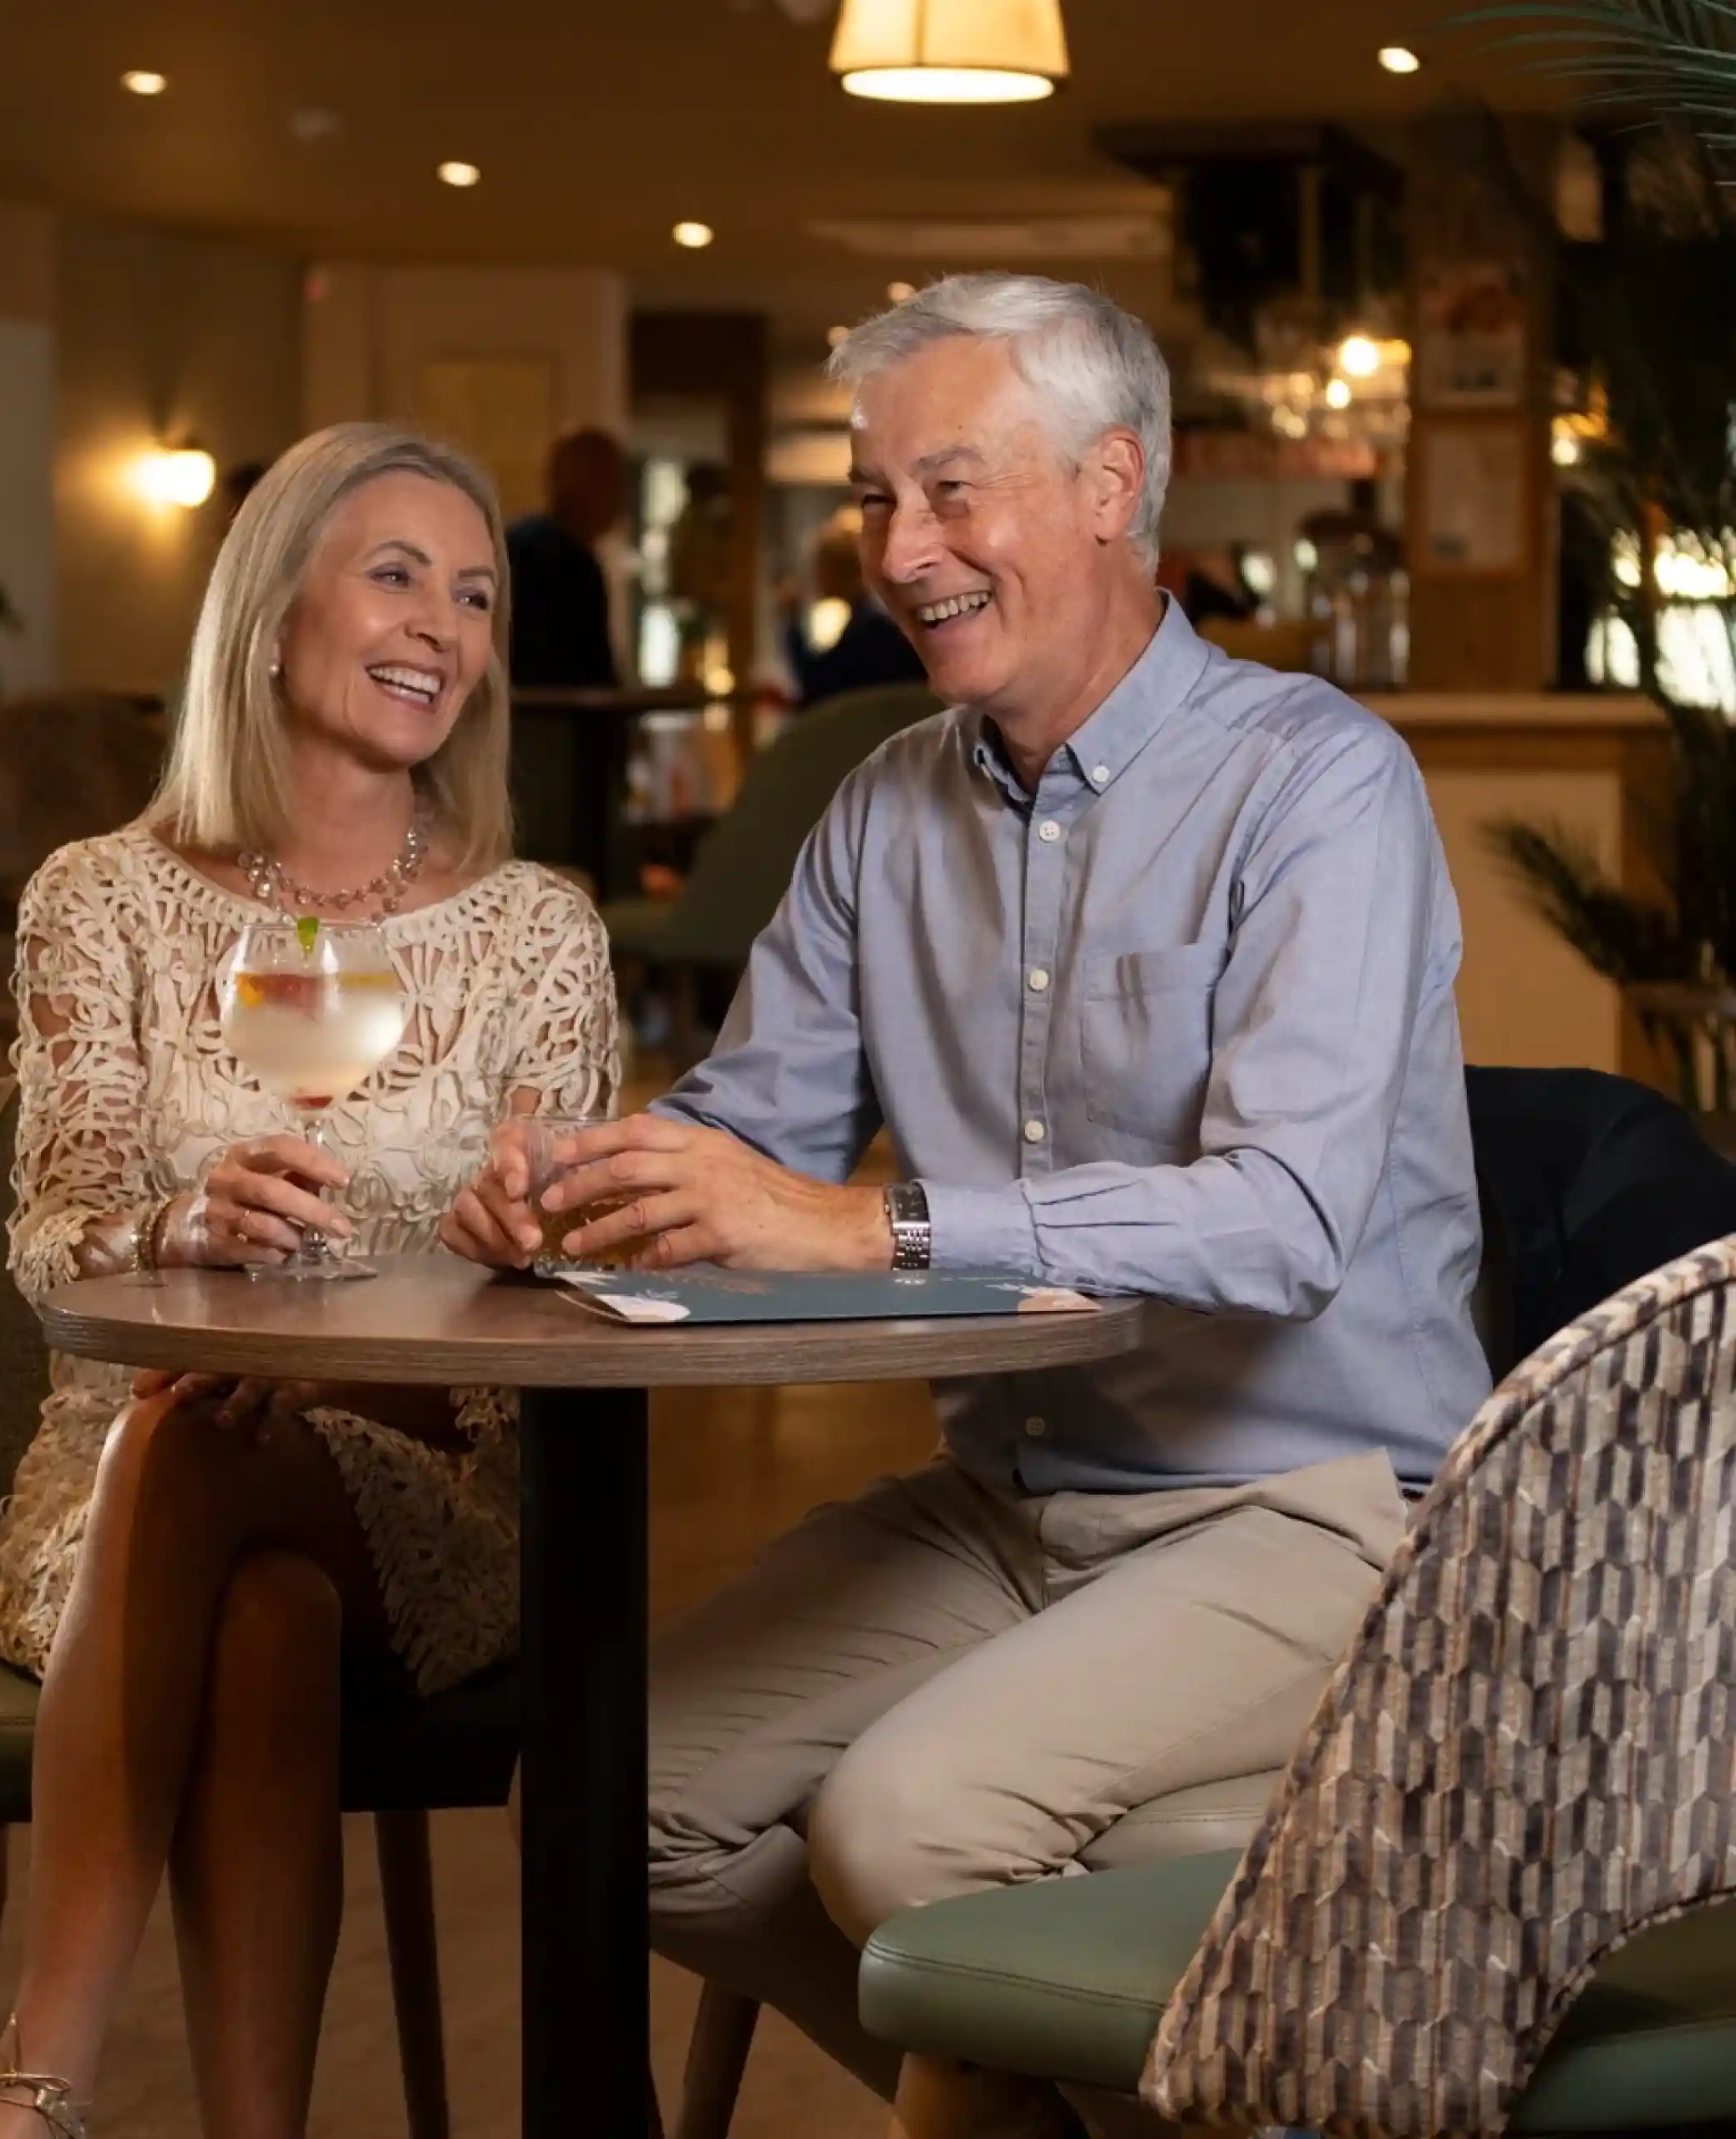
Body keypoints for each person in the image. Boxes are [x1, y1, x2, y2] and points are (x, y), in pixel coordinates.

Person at [444, 274, 1492, 2136]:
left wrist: (872, 1225)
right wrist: (582, 1184)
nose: (898, 551)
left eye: (948, 491)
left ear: (1109, 487)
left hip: (1318, 1507)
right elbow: (743, 1136)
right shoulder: (876, 812)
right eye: (872, 501)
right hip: (1011, 1497)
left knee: (901, 1817)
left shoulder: (1318, 784)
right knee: (610, 1788)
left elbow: (1280, 1221)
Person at [0, 423, 622, 2137]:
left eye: (473, 593)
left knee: (191, 1445)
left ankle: (30, 2090)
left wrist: (527, 1237)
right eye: (395, 572)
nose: (443, 623)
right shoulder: (102, 898)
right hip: (112, 1492)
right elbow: (53, 1236)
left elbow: (586, 1269)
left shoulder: (535, 928)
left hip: (426, 1473)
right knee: (257, 1595)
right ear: (270, 613)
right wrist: (178, 1229)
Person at [505, 426, 631, 688]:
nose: (622, 500)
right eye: (615, 484)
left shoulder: (514, 542)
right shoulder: (572, 564)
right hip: (549, 722)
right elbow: (590, 676)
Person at [783, 509, 927, 703]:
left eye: (822, 567)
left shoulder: (871, 633)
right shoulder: (886, 627)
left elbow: (817, 689)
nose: (817, 578)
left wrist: (791, 624)